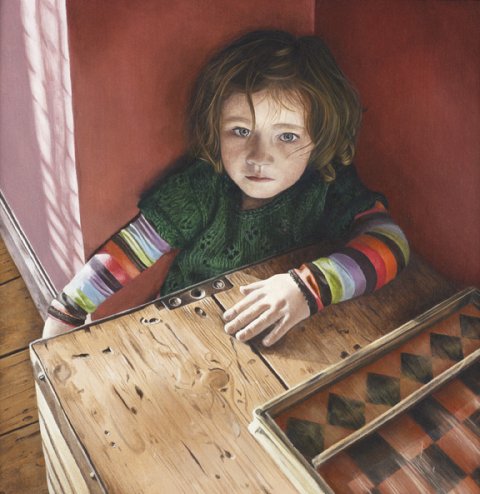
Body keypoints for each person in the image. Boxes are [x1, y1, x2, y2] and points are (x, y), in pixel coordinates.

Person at [43, 30, 409, 345]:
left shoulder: (327, 184)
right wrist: (69, 309)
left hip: (289, 340)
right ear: (215, 130)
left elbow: (391, 244)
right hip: (188, 336)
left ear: (319, 140)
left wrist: (307, 288)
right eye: (241, 131)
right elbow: (129, 251)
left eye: (287, 136)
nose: (259, 156)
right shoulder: (200, 190)